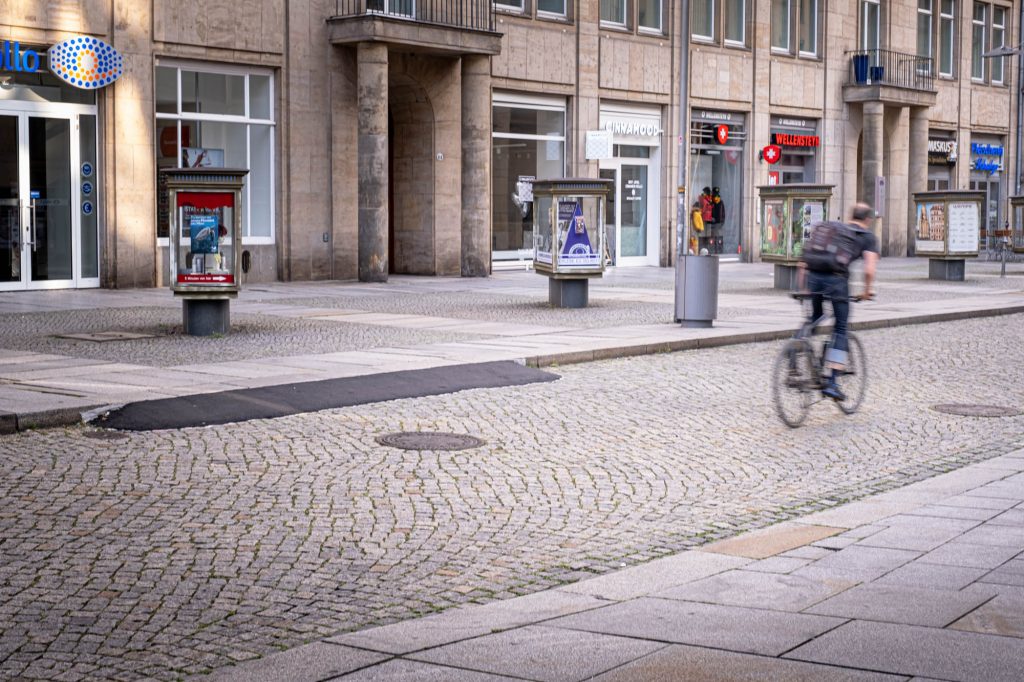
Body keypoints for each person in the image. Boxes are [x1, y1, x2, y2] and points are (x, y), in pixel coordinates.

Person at [797, 202, 879, 401]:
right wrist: (867, 292)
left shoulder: (834, 227)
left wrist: (804, 287)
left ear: (851, 214)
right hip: (836, 279)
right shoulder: (867, 237)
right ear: (867, 219)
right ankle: (832, 382)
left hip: (814, 276)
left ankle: (795, 349)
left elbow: (803, 261)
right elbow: (869, 270)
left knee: (814, 318)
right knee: (840, 328)